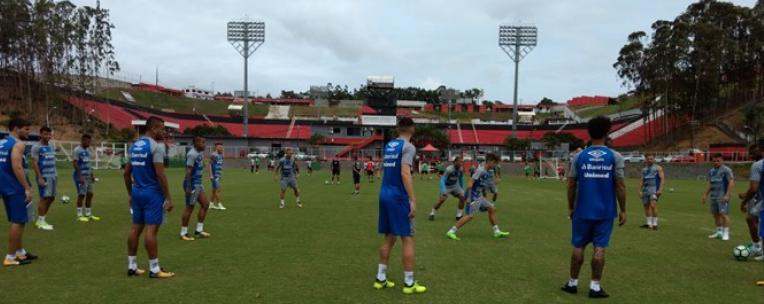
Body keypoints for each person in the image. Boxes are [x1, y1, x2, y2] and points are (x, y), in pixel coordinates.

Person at [561, 116, 627, 299]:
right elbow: (620, 185)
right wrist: (623, 210)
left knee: (578, 245)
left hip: (582, 210)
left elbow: (571, 184)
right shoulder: (615, 157)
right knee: (599, 248)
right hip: (605, 211)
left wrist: (570, 207)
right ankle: (595, 287)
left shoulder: (579, 156)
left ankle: (572, 283)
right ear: (607, 133)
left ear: (588, 133)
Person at [373, 117, 426, 294]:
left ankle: (380, 278)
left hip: (384, 194)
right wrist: (412, 200)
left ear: (397, 129)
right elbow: (405, 172)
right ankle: (409, 283)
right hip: (398, 196)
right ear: (412, 129)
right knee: (407, 237)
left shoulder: (389, 145)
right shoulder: (409, 147)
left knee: (389, 237)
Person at [124, 116, 175, 278]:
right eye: (162, 128)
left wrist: (130, 194)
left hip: (137, 192)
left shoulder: (134, 146)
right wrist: (168, 197)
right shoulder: (156, 147)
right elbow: (161, 175)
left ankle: (132, 266)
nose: (164, 132)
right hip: (152, 193)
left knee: (135, 229)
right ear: (154, 128)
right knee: (151, 230)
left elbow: (126, 173)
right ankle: (154, 269)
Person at [445, 153, 510, 240]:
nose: (495, 165)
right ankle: (451, 231)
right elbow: (470, 182)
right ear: (490, 162)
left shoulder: (487, 171)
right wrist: (468, 197)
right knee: (469, 216)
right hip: (472, 196)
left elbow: (481, 185)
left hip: (478, 196)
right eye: (495, 163)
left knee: (491, 208)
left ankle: (497, 232)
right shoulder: (481, 170)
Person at [1, 118, 37, 267]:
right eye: (26, 128)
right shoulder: (18, 144)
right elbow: (17, 167)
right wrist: (26, 188)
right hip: (14, 188)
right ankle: (10, 257)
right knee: (19, 221)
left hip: (4, 186)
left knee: (17, 219)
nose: (29, 131)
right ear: (16, 128)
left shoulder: (3, 142)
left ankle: (19, 252)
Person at [739, 140, 764, 286]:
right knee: (752, 218)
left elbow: (754, 188)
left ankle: (757, 247)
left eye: (753, 152)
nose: (750, 155)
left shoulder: (758, 165)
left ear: (761, 149)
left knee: (751, 217)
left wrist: (744, 201)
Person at [180, 136, 212, 241]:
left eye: (204, 142)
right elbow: (188, 171)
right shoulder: (192, 154)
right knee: (190, 207)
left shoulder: (199, 153)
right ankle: (183, 232)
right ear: (196, 143)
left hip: (198, 184)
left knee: (205, 204)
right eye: (202, 142)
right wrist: (189, 186)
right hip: (192, 185)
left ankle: (199, 230)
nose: (204, 144)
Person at [702, 153, 735, 241]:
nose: (716, 162)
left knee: (724, 214)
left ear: (722, 160)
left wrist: (727, 195)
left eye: (718, 161)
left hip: (722, 195)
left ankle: (726, 233)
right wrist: (705, 194)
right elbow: (710, 184)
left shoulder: (726, 170)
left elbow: (731, 182)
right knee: (716, 215)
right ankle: (719, 232)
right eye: (714, 161)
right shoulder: (711, 171)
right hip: (713, 195)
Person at [30, 126, 57, 231]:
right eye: (46, 134)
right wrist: (39, 177)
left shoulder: (51, 145)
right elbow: (34, 163)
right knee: (45, 197)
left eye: (49, 134)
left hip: (53, 175)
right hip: (44, 176)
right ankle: (40, 222)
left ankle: (42, 219)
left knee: (52, 198)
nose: (48, 136)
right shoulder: (36, 147)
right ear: (40, 134)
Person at [428, 156, 466, 221]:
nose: (460, 163)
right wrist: (444, 190)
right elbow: (442, 179)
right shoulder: (449, 169)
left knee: (463, 197)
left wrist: (462, 188)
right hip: (447, 186)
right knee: (442, 200)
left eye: (461, 162)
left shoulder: (461, 169)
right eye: (459, 162)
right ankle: (432, 213)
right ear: (454, 162)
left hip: (455, 185)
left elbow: (461, 178)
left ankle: (459, 215)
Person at [72, 134, 99, 222]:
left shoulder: (88, 150)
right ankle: (79, 215)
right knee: (81, 194)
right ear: (83, 140)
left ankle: (88, 214)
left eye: (90, 141)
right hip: (80, 176)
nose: (89, 143)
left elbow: (88, 164)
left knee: (90, 194)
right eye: (88, 141)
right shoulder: (77, 150)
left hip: (88, 175)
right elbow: (75, 163)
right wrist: (80, 176)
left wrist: (92, 175)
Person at [638, 154, 664, 230]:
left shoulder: (658, 168)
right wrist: (639, 190)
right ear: (646, 160)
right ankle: (649, 224)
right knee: (646, 206)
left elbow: (662, 179)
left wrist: (660, 189)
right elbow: (642, 180)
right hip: (646, 189)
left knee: (653, 205)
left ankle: (655, 224)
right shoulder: (644, 169)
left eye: (651, 159)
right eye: (648, 159)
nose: (650, 160)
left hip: (654, 189)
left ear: (654, 159)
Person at [209, 143, 226, 210]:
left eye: (222, 147)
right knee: (218, 190)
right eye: (219, 147)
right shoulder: (213, 155)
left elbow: (219, 165)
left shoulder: (221, 155)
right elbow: (209, 165)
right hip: (214, 176)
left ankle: (211, 204)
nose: (221, 148)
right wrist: (211, 175)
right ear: (216, 148)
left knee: (214, 190)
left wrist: (220, 174)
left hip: (218, 175)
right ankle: (219, 204)